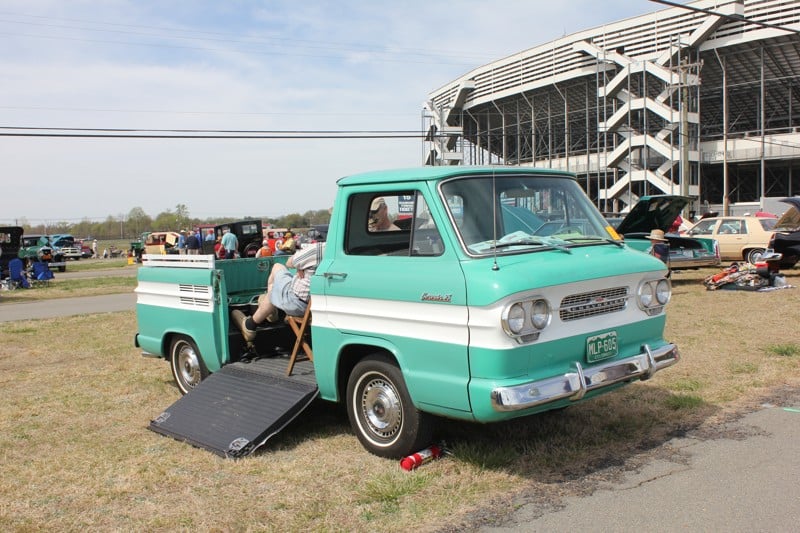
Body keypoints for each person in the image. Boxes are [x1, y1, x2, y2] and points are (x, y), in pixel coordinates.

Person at [233, 242, 325, 341]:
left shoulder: (320, 249)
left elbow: (289, 262)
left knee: (277, 267)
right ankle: (270, 308)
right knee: (279, 287)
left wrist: (300, 266)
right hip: (323, 308)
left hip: (298, 305)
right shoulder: (343, 257)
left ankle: (251, 325)